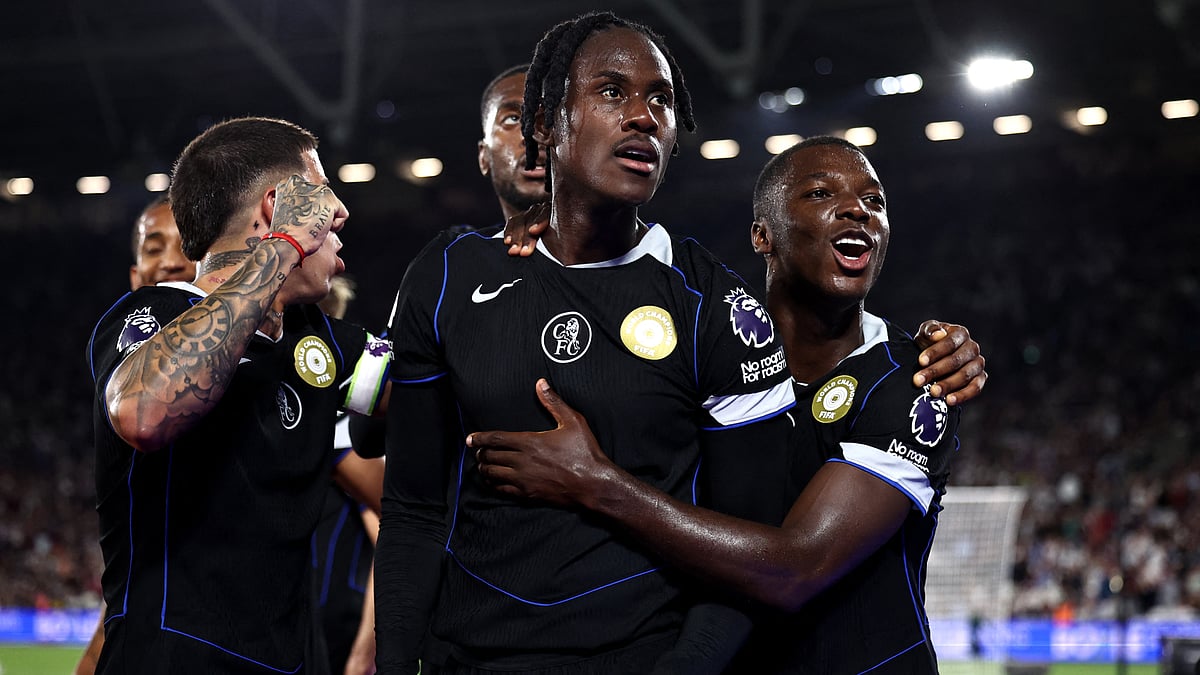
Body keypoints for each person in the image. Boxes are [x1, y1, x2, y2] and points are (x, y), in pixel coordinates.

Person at [375, 13, 800, 674]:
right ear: (545, 124)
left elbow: (756, 557)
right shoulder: (451, 273)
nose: (643, 116)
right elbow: (414, 511)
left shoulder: (717, 305)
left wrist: (599, 486)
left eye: (660, 98)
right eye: (611, 91)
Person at [470, 136, 967, 673]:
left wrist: (594, 483)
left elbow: (797, 569)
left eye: (875, 202)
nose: (857, 210)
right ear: (762, 235)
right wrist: (552, 226)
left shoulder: (917, 378)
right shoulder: (705, 350)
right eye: (821, 193)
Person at [87, 116, 390, 674]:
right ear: (279, 209)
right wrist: (282, 250)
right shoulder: (152, 313)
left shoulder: (323, 343)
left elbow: (423, 387)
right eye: (324, 196)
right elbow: (143, 412)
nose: (341, 212)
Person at [75, 197, 203, 675]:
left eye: (186, 244)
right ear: (134, 278)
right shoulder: (123, 343)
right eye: (154, 247)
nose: (170, 260)